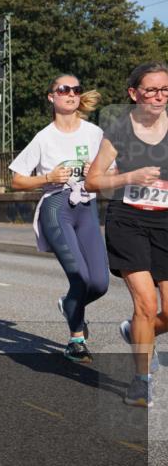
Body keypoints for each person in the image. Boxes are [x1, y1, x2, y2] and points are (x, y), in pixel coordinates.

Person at [85, 61, 168, 407]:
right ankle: (141, 381)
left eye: (165, 90)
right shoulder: (120, 129)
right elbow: (93, 180)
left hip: (165, 222)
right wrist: (128, 179)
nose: (159, 97)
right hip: (128, 220)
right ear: (133, 94)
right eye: (151, 90)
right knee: (147, 304)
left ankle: (136, 331)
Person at [10, 75, 106, 363]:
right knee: (80, 277)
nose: (71, 94)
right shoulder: (44, 137)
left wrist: (96, 174)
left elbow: (112, 174)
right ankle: (76, 339)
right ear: (51, 97)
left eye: (76, 89)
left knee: (99, 283)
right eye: (63, 89)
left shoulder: (94, 133)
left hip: (87, 208)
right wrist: (48, 177)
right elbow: (17, 180)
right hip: (57, 207)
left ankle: (68, 304)